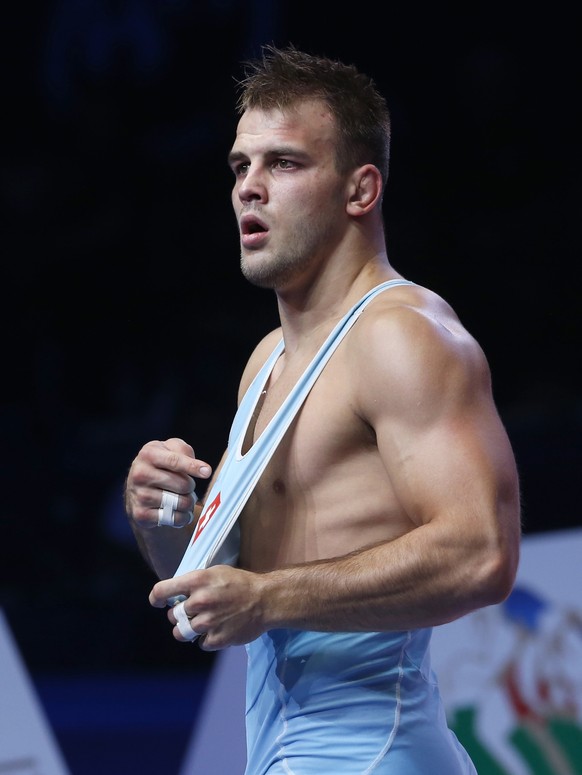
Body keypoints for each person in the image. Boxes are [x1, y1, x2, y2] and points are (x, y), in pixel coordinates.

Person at [124, 44, 521, 774]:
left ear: (360, 190)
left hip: (373, 751)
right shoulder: (268, 360)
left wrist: (269, 598)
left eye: (284, 163)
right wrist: (163, 521)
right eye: (241, 166)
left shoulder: (401, 335)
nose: (250, 188)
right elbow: (219, 598)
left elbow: (483, 554)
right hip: (290, 753)